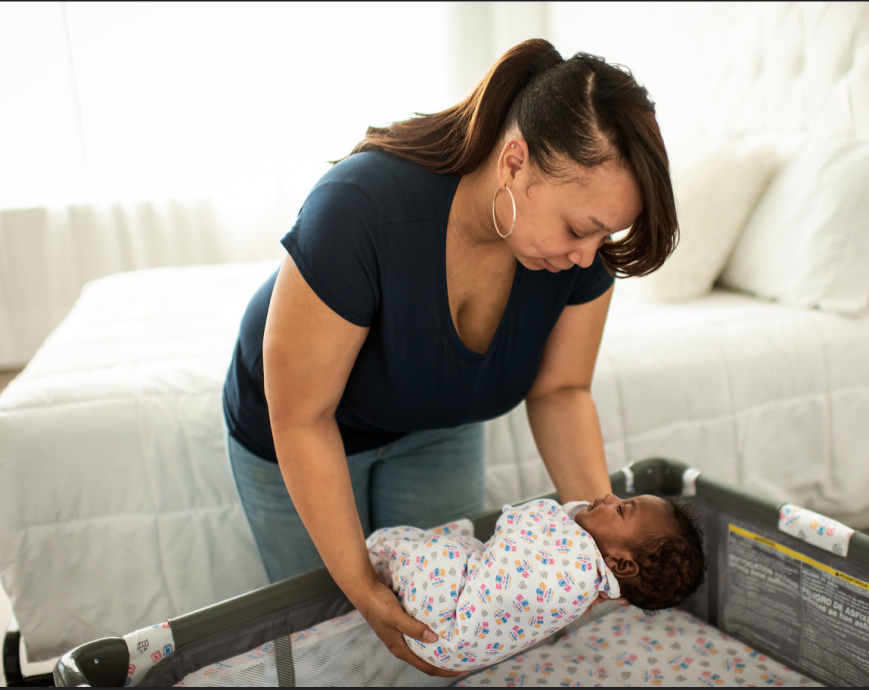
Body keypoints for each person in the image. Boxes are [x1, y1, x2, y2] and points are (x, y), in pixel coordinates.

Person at [221, 38, 678, 678]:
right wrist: (360, 586)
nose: (589, 254)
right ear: (514, 163)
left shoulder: (577, 258)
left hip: (438, 422)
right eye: (580, 228)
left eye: (607, 233)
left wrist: (598, 537)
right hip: (299, 425)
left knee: (440, 632)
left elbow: (561, 392)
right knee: (339, 645)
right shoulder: (359, 208)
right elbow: (302, 415)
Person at [365, 493, 707, 672]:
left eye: (621, 510)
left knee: (434, 552)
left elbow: (514, 534)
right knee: (458, 549)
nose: (607, 498)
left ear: (620, 563)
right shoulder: (585, 584)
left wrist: (557, 517)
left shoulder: (575, 573)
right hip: (443, 647)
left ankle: (378, 556)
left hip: (444, 621)